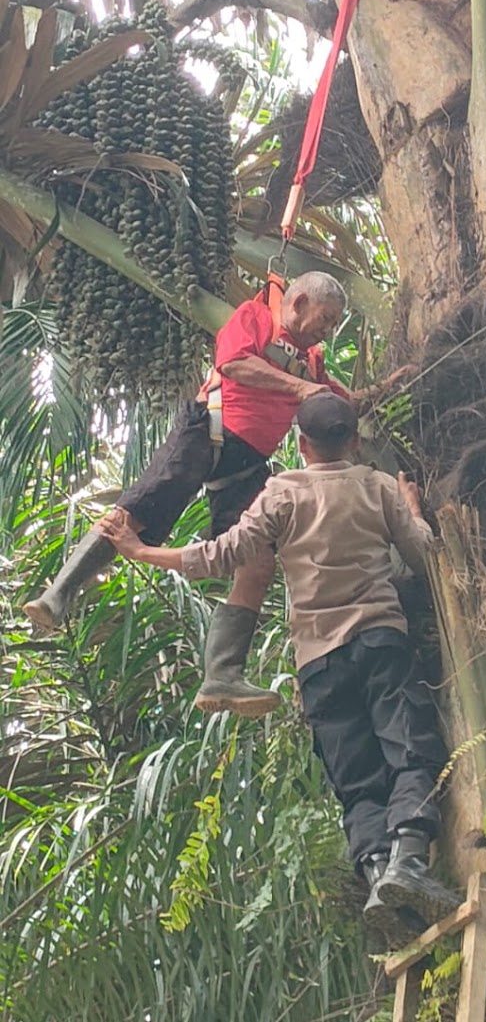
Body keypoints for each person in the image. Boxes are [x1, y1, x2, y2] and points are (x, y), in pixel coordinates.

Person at [99, 392, 461, 939]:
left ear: (300, 443)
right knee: (409, 748)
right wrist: (410, 506)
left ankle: (379, 873)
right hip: (380, 641)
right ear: (355, 441)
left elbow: (221, 554)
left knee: (356, 778)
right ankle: (409, 858)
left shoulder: (281, 493)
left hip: (318, 663)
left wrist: (141, 550)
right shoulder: (377, 486)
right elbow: (422, 554)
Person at [24, 272, 409, 718]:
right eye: (325, 319)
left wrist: (387, 387)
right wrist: (300, 387)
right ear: (299, 302)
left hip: (245, 468)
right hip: (210, 431)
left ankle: (222, 675)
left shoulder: (312, 360)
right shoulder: (256, 317)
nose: (328, 330)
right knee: (146, 505)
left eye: (334, 324)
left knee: (257, 559)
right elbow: (234, 364)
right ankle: (60, 593)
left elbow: (341, 402)